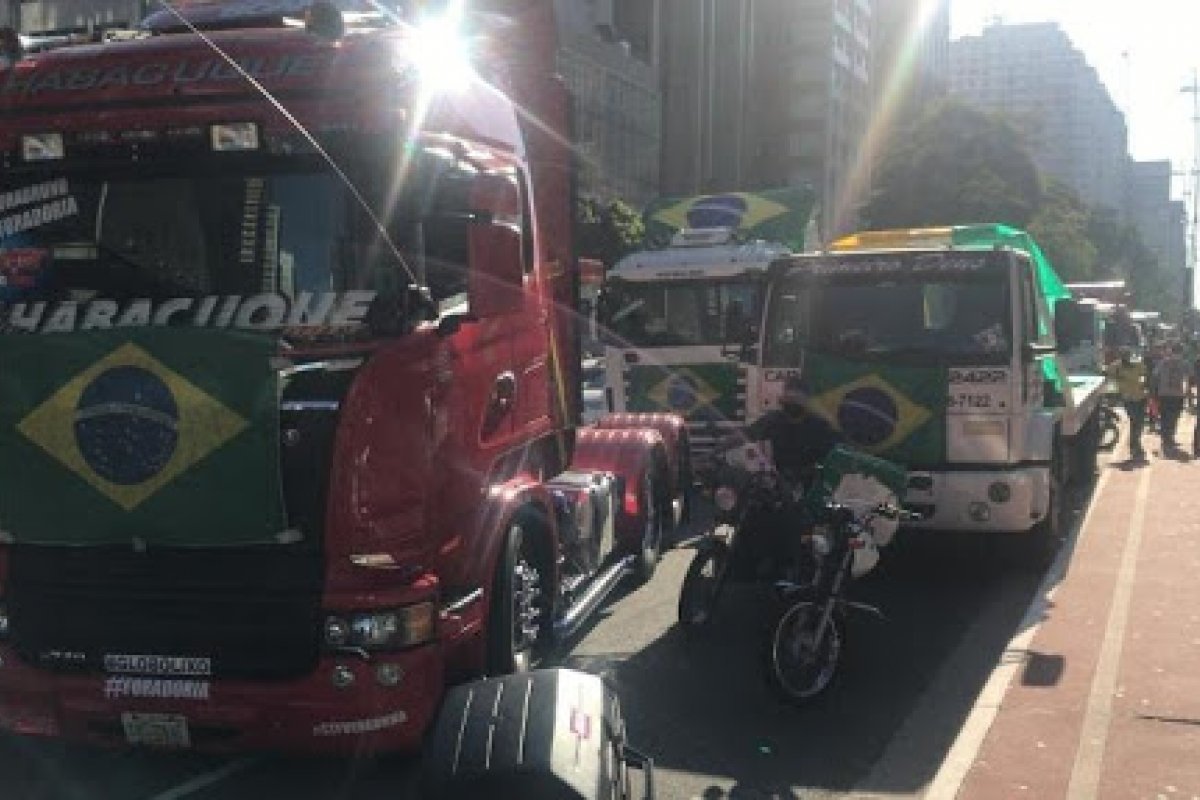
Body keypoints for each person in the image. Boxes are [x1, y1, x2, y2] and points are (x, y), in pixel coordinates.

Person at [1107, 347, 1148, 460]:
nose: (1126, 357)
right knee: (1135, 421)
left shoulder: (1137, 364)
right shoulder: (1115, 367)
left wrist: (1145, 386)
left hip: (1140, 397)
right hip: (1128, 399)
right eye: (1123, 355)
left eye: (1127, 354)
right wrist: (1112, 396)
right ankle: (1135, 446)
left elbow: (1144, 376)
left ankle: (1135, 444)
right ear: (1120, 356)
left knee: (1139, 423)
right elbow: (1110, 381)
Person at [1151, 342, 1190, 451]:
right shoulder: (1184, 363)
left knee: (1165, 417)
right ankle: (1169, 438)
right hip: (1177, 395)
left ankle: (1166, 439)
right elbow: (1189, 378)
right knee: (1174, 417)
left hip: (1164, 394)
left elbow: (1155, 377)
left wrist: (1154, 393)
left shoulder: (1162, 363)